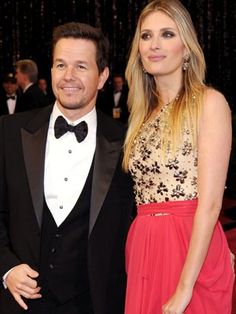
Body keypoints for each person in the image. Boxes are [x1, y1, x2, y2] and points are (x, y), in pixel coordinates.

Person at [0, 22, 134, 314]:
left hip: (95, 303)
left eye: (81, 67)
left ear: (103, 77)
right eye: (61, 65)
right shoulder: (9, 132)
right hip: (19, 303)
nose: (68, 76)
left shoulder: (128, 143)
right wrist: (6, 268)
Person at [123, 0, 234, 313]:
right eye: (146, 36)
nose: (154, 45)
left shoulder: (210, 103)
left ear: (187, 49)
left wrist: (185, 288)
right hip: (144, 246)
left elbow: (211, 203)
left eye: (167, 34)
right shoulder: (141, 115)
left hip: (190, 249)